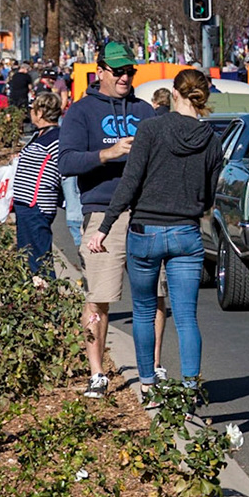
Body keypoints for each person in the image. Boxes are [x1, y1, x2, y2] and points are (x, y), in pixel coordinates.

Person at [87, 69, 222, 406]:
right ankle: (191, 388)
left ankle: (148, 386)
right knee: (187, 316)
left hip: (145, 231)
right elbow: (209, 193)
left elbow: (130, 182)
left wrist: (105, 227)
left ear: (174, 93)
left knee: (145, 312)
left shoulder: (150, 129)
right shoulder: (211, 139)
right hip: (186, 233)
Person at [61, 42, 156, 400]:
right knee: (99, 296)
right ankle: (97, 373)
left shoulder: (144, 110)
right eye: (118, 71)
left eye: (130, 71)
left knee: (155, 295)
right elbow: (67, 163)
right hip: (101, 211)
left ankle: (153, 371)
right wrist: (108, 153)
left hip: (146, 211)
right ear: (100, 70)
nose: (125, 77)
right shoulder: (81, 112)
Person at [9, 92, 64, 277]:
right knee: (27, 256)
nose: (30, 113)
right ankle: (35, 298)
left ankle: (48, 300)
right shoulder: (39, 135)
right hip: (26, 205)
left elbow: (64, 166)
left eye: (32, 109)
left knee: (39, 260)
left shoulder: (56, 138)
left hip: (37, 205)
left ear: (40, 112)